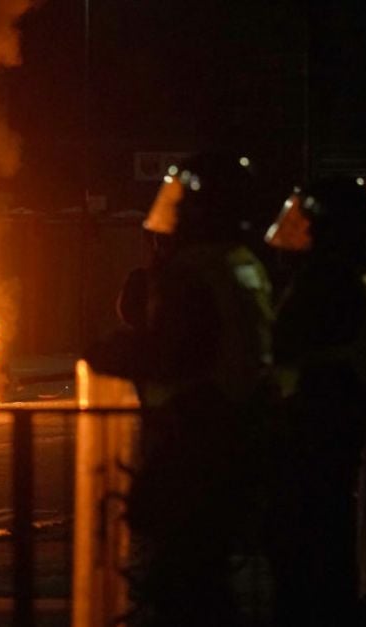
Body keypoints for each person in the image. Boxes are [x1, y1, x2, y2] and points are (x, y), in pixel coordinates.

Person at [84, 152, 274, 627]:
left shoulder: (192, 271)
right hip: (238, 430)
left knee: (182, 582)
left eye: (185, 204)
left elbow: (175, 354)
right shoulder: (241, 263)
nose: (177, 213)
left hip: (196, 437)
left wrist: (112, 353)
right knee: (202, 578)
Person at [264, 176, 366, 626]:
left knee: (307, 538)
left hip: (318, 422)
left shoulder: (330, 280)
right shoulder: (348, 272)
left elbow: (286, 342)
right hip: (331, 416)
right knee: (325, 533)